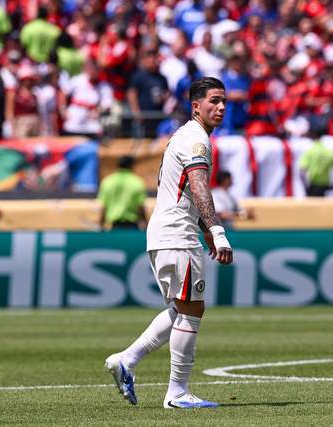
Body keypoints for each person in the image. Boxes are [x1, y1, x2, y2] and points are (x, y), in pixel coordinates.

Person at [105, 77, 233, 409]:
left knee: (181, 307)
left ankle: (127, 360)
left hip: (167, 232)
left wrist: (206, 230)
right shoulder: (196, 139)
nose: (221, 107)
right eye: (214, 101)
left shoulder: (184, 135)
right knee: (192, 308)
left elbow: (186, 189)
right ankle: (177, 392)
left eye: (224, 101)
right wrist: (217, 230)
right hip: (177, 234)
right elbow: (198, 185)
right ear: (196, 106)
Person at [98, 155, 147, 230]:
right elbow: (140, 207)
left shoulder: (107, 181)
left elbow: (104, 207)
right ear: (131, 166)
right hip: (132, 226)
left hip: (114, 226)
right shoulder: (137, 182)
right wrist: (146, 223)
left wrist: (101, 224)